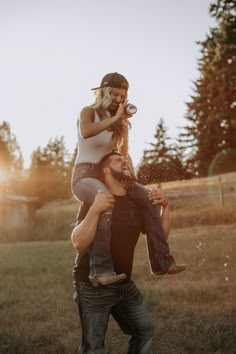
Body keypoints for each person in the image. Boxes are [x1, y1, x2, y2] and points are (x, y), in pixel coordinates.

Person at [71, 72, 185, 286]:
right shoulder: (89, 112)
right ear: (104, 92)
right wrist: (115, 117)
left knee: (150, 198)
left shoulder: (119, 123)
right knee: (104, 202)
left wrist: (130, 176)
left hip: (108, 174)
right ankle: (101, 271)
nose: (119, 100)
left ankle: (163, 262)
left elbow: (123, 154)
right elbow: (86, 132)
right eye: (115, 94)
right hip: (84, 175)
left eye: (122, 96)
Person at [71, 152, 174, 354]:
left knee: (144, 330)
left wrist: (166, 207)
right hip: (92, 286)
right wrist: (94, 211)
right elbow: (78, 243)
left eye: (126, 159)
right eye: (119, 160)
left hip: (124, 283)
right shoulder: (94, 200)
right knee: (94, 346)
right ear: (107, 170)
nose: (125, 161)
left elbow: (160, 237)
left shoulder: (136, 203)